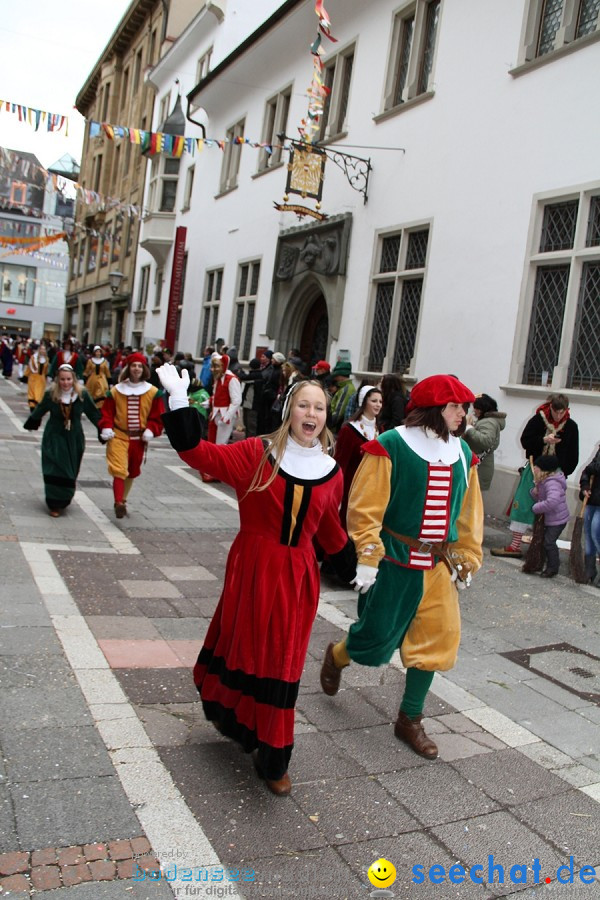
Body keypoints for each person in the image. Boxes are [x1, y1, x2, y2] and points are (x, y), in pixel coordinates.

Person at [156, 367, 356, 796]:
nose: (312, 413)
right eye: (304, 404)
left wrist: (358, 569)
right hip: (252, 568)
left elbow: (329, 531)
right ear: (289, 410)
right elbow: (199, 453)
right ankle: (240, 723)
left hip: (298, 579)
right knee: (247, 646)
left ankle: (274, 756)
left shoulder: (332, 470)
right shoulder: (256, 453)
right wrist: (178, 400)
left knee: (283, 662)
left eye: (319, 407)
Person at [319, 375, 483, 760]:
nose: (463, 414)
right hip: (395, 560)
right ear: (435, 408)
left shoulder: (463, 454)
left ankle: (410, 718)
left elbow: (468, 514)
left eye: (463, 407)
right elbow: (365, 507)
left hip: (438, 567)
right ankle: (339, 655)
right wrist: (369, 555)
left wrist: (466, 558)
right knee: (374, 640)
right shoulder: (390, 445)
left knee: (437, 641)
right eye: (456, 406)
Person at [492, 394, 579, 558]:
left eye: (563, 413)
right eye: (556, 412)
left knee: (549, 511)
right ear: (550, 407)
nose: (559, 416)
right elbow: (526, 441)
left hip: (555, 473)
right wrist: (543, 440)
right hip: (534, 469)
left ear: (567, 410)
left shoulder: (571, 426)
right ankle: (515, 545)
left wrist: (562, 472)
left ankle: (539, 548)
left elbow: (573, 454)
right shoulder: (539, 420)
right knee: (523, 505)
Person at [23, 364, 100, 516]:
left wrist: (104, 429)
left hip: (74, 438)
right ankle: (54, 503)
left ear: (74, 379)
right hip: (54, 436)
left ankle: (64, 498)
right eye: (62, 379)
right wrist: (32, 421)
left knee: (70, 470)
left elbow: (93, 413)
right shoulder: (51, 394)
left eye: (68, 379)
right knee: (54, 467)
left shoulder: (82, 395)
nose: (66, 383)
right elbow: (40, 409)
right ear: (58, 380)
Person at [98, 352, 165, 518]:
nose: (136, 369)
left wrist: (151, 429)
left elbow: (158, 416)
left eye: (139, 366)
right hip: (119, 435)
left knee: (132, 470)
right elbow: (106, 413)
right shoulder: (115, 391)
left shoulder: (153, 392)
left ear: (144, 369)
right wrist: (106, 427)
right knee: (119, 469)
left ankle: (123, 499)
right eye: (133, 365)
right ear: (128, 368)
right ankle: (118, 502)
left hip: (139, 439)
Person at [334, 385, 382, 526]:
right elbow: (340, 463)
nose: (378, 404)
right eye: (374, 401)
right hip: (350, 488)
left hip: (370, 489)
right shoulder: (349, 430)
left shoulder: (381, 429)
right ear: (363, 402)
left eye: (380, 401)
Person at [528, 455, 570, 578]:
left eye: (536, 467)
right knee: (545, 541)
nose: (534, 468)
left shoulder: (552, 483)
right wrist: (534, 492)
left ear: (543, 470)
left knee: (549, 542)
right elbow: (542, 497)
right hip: (551, 518)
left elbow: (552, 501)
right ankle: (542, 563)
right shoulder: (544, 481)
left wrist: (536, 507)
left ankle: (553, 568)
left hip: (557, 520)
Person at [462, 393, 506, 492]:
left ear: (483, 408)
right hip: (480, 466)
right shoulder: (489, 421)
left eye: (476, 408)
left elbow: (486, 441)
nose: (474, 410)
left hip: (479, 468)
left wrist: (469, 428)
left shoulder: (488, 422)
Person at [579, 443, 600, 585]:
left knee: (596, 532)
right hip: (593, 498)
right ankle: (589, 570)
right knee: (588, 534)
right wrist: (585, 486)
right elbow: (587, 471)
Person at [329, 361, 356, 433]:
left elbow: (338, 413)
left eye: (336, 376)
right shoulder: (345, 387)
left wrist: (328, 425)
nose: (335, 378)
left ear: (341, 376)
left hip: (335, 430)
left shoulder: (346, 390)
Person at [239, 358, 263, 437]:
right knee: (247, 425)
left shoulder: (256, 375)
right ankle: (247, 443)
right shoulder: (255, 374)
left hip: (252, 405)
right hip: (248, 403)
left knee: (251, 426)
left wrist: (240, 372)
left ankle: (251, 445)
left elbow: (243, 378)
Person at [24, 343, 49, 410]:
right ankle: (32, 408)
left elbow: (46, 370)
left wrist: (47, 376)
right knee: (32, 394)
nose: (42, 350)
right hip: (33, 378)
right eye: (41, 349)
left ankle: (37, 408)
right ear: (39, 350)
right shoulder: (33, 358)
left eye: (44, 349)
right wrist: (25, 376)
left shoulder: (46, 359)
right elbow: (29, 367)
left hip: (41, 380)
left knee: (39, 394)